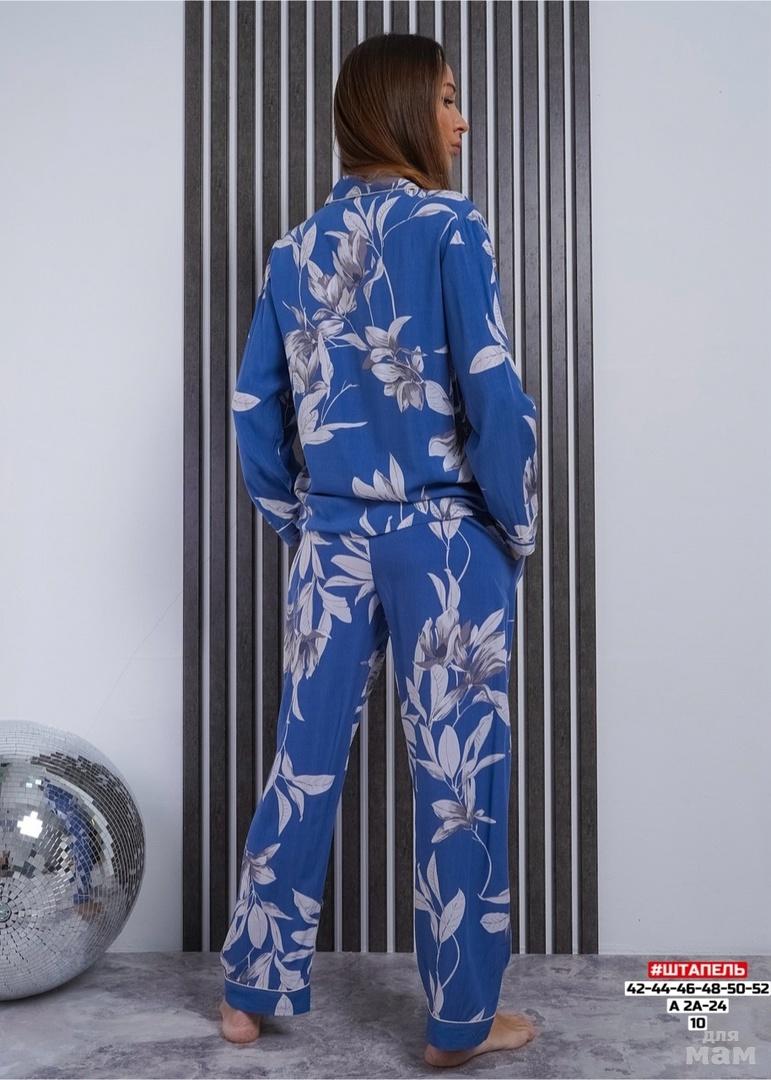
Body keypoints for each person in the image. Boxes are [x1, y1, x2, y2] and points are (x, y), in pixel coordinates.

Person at [218, 31, 540, 1069]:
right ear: (400, 109)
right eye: (446, 98)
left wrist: (302, 522)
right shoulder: (449, 225)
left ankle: (249, 991)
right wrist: (513, 523)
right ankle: (459, 1024)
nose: (461, 119)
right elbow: (493, 391)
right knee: (457, 781)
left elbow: (253, 410)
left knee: (301, 763)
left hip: (332, 541)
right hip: (445, 537)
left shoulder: (294, 249)